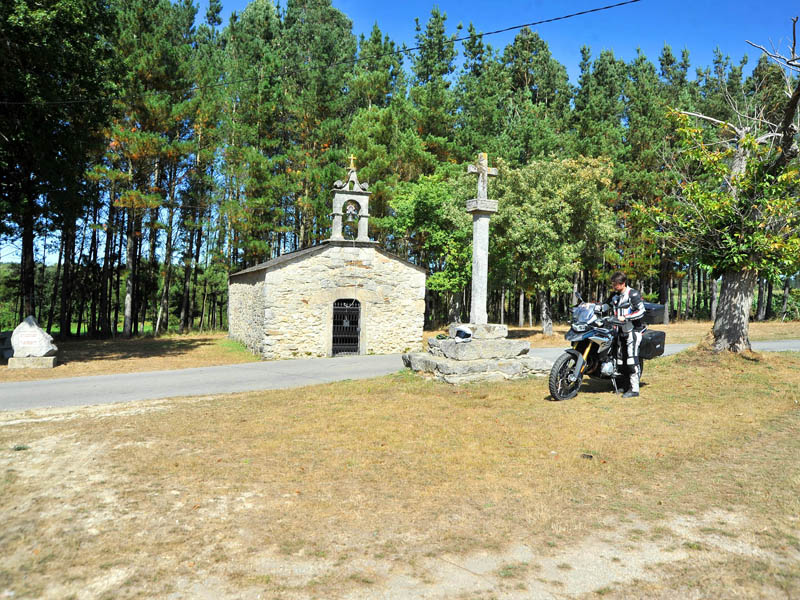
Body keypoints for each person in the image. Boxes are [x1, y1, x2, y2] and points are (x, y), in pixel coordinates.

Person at [602, 272, 646, 398]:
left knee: (631, 359)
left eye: (615, 284)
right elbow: (605, 306)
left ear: (622, 284)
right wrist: (590, 306)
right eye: (613, 284)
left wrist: (626, 317)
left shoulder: (633, 294)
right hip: (619, 332)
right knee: (620, 360)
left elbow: (641, 311)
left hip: (633, 331)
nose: (613, 286)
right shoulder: (614, 295)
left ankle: (634, 389)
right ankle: (624, 385)